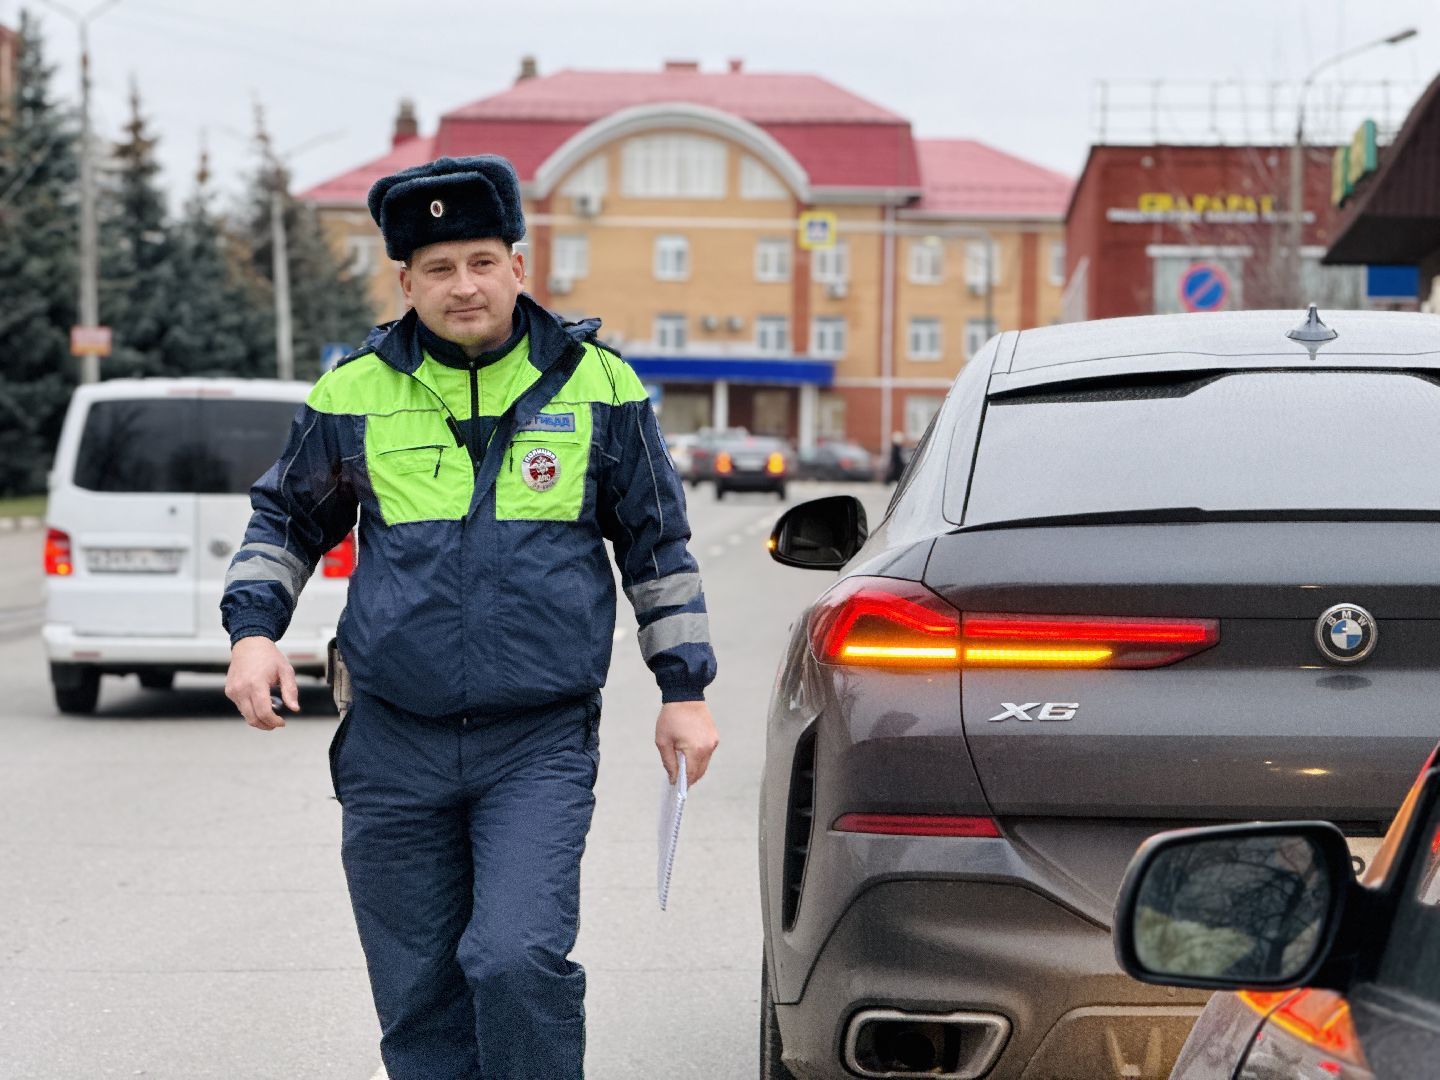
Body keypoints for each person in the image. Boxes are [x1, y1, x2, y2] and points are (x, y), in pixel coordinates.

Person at [219, 154, 719, 1080]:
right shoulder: (353, 391)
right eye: (439, 269)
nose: (464, 286)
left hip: (535, 741)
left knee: (513, 957)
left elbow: (658, 549)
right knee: (417, 993)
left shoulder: (598, 386)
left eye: (482, 261)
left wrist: (682, 688)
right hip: (392, 742)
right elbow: (286, 522)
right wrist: (253, 633)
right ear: (405, 281)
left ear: (518, 266)